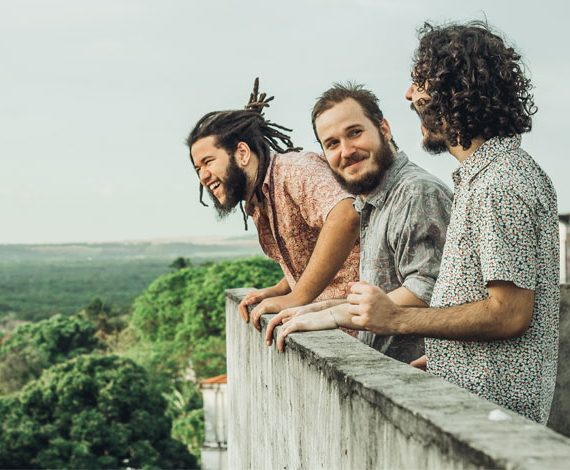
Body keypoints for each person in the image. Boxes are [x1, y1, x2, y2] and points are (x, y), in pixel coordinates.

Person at [345, 22, 559, 423]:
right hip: (480, 403)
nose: (410, 94)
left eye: (420, 81)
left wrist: (398, 319)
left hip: (493, 422)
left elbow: (510, 312)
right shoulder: (492, 174)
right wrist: (446, 358)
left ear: (457, 88)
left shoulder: (499, 183)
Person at [265, 83, 453, 364]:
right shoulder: (373, 201)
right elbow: (383, 299)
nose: (346, 150)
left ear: (384, 129)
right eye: (332, 144)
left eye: (355, 133)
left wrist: (333, 314)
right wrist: (320, 308)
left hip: (423, 385)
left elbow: (427, 289)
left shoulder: (416, 192)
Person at [187, 79, 360, 328]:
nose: (203, 176)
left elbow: (345, 215)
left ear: (243, 153)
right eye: (198, 168)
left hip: (370, 332)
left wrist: (297, 297)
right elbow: (310, 252)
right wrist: (282, 288)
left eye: (208, 161)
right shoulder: (260, 200)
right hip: (336, 328)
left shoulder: (294, 170)